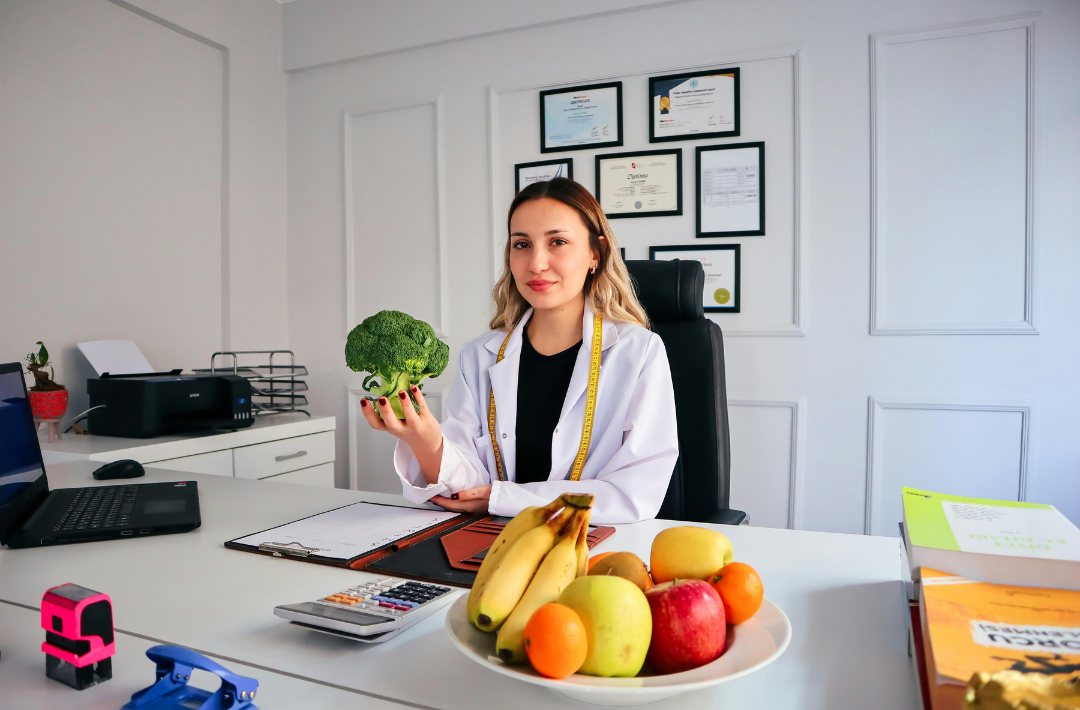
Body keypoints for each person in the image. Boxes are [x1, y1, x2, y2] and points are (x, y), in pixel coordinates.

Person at [359, 178, 678, 523]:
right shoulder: (478, 356)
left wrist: (504, 497)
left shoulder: (639, 352)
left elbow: (633, 494)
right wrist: (426, 442)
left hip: (595, 543)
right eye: (522, 244)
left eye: (557, 241)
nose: (536, 263)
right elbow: (467, 491)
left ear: (595, 254)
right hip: (492, 541)